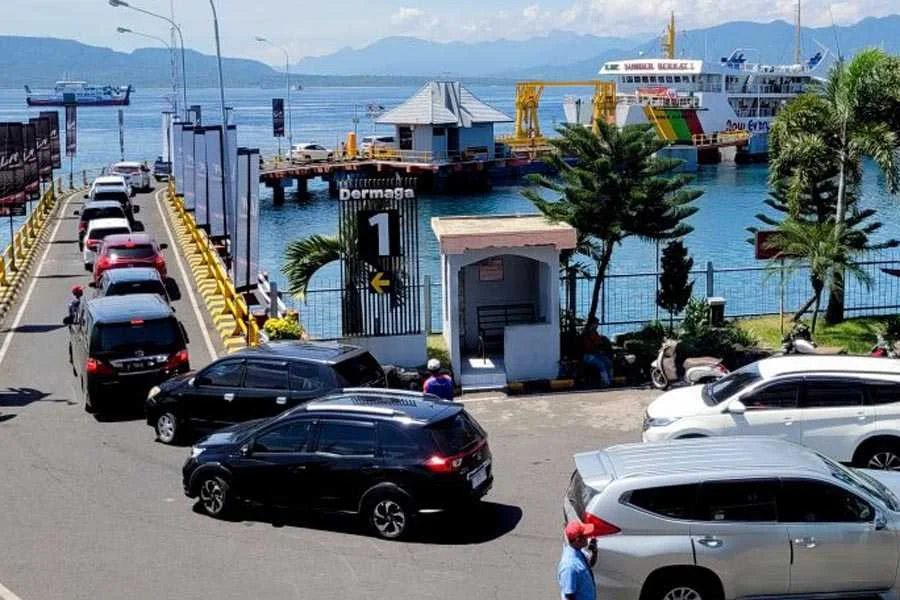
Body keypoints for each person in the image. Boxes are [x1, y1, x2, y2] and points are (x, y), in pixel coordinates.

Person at [557, 519, 598, 600]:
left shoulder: (577, 550)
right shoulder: (569, 566)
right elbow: (569, 595)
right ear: (578, 540)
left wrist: (594, 551)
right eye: (585, 535)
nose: (588, 537)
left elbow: (589, 564)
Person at [581, 317, 613, 386]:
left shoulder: (595, 332)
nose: (597, 325)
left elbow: (599, 342)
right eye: (596, 324)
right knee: (601, 364)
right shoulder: (586, 334)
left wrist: (600, 346)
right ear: (592, 324)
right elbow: (588, 347)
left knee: (608, 362)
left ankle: (610, 380)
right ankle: (606, 382)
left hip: (596, 354)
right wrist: (597, 348)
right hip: (588, 355)